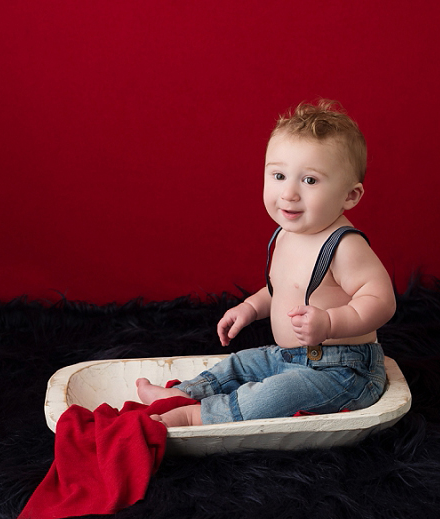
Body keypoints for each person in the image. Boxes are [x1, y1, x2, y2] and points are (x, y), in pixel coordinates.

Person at [136, 99, 396, 427]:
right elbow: (284, 289)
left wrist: (330, 323)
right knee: (241, 364)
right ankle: (186, 393)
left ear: (350, 196)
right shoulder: (287, 234)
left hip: (342, 370)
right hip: (288, 356)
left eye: (310, 181)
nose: (288, 193)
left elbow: (380, 301)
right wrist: (250, 307)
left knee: (276, 395)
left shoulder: (344, 246)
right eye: (278, 175)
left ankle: (196, 415)